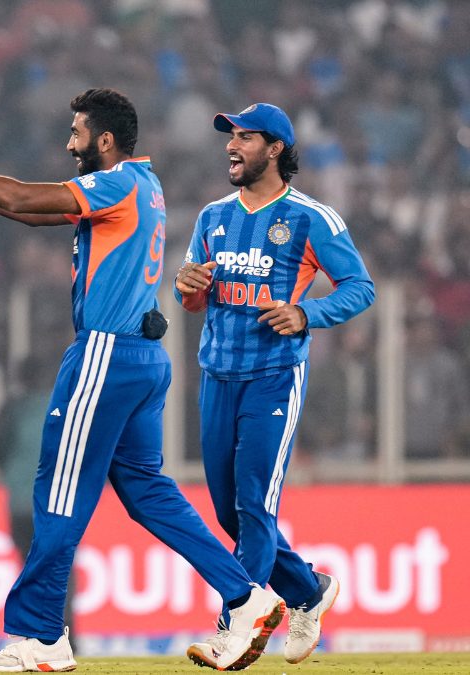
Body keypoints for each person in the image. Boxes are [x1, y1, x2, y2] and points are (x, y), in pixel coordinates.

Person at [0, 88, 284, 673]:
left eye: (77, 133)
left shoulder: (115, 183)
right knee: (148, 492)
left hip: (105, 353)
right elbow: (26, 210)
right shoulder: (144, 184)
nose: (68, 144)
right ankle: (246, 594)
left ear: (104, 140)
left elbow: (23, 197)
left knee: (57, 491)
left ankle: (41, 637)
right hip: (143, 358)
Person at [174, 103, 374, 665]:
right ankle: (308, 590)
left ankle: (236, 626)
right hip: (217, 374)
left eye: (245, 137)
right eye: (230, 137)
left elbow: (360, 287)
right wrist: (188, 286)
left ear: (276, 148)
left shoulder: (311, 218)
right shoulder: (212, 216)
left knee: (254, 503)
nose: (231, 146)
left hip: (273, 376)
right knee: (229, 512)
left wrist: (307, 313)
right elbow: (194, 298)